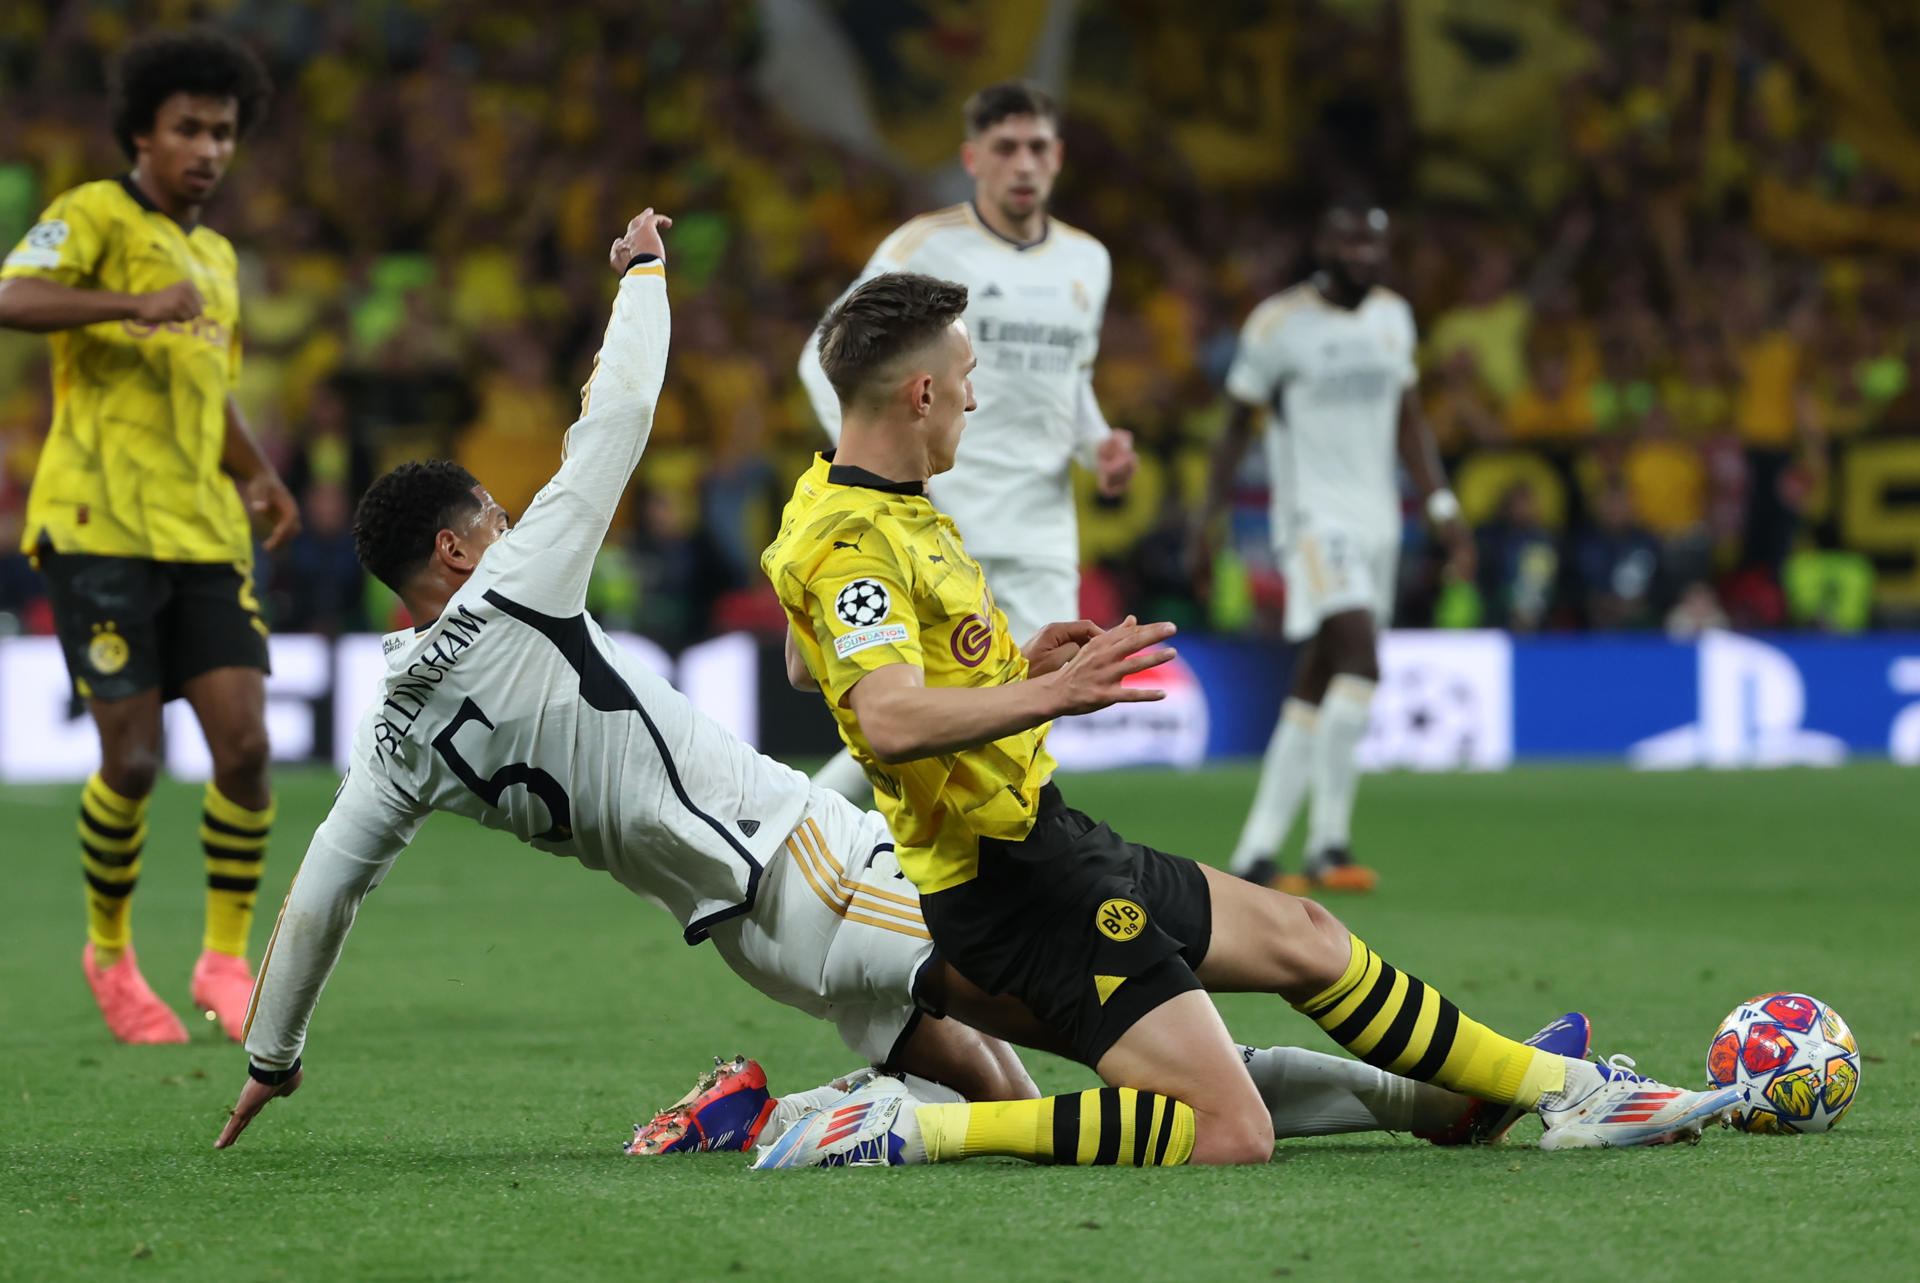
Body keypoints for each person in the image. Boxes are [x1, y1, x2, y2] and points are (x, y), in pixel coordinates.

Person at [212, 213, 1531, 1157]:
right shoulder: (515, 594)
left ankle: (1435, 1095)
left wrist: (273, 1053)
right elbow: (613, 423)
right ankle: (1438, 1094)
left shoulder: (394, 734)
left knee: (1024, 1081)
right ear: (456, 546)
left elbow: (326, 886)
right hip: (820, 862)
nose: (511, 525)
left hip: (753, 935)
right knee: (1149, 1046)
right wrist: (647, 274)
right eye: (492, 516)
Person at [759, 271, 1739, 1167]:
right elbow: (883, 717)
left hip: (1045, 838)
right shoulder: (855, 534)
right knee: (1230, 1129)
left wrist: (1012, 663)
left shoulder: (850, 498)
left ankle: (1570, 1093)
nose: (976, 395)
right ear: (919, 394)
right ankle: (909, 1125)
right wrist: (1050, 692)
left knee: (1305, 934)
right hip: (1011, 885)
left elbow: (815, 664)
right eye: (966, 376)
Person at [0, 28, 298, 1044]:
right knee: (132, 760)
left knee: (249, 748)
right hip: (97, 523)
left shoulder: (216, 258)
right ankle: (112, 954)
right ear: (142, 132)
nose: (208, 149)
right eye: (188, 130)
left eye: (222, 132)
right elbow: (11, 296)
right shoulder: (92, 213)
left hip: (204, 529)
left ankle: (222, 959)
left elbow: (207, 388)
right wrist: (128, 302)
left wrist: (257, 475)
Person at [797, 81, 1137, 804]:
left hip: (1042, 523)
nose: (1024, 163)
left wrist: (1098, 443)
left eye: (1037, 147)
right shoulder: (924, 248)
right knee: (925, 711)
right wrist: (880, 473)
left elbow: (1070, 378)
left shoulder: (1089, 262)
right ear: (972, 158)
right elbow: (821, 355)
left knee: (1031, 709)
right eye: (1006, 148)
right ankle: (801, 836)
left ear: (1058, 157)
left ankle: (946, 869)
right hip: (947, 514)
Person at [1185, 200, 1472, 895]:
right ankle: (1329, 842)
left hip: (1381, 521)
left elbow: (1408, 418)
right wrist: (1209, 522)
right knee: (1361, 656)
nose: (1363, 253)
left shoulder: (1392, 317)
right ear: (1322, 242)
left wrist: (1440, 504)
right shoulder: (1279, 325)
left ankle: (1258, 851)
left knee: (1321, 673)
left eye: (1374, 241)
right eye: (1349, 239)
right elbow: (1233, 427)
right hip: (1313, 520)